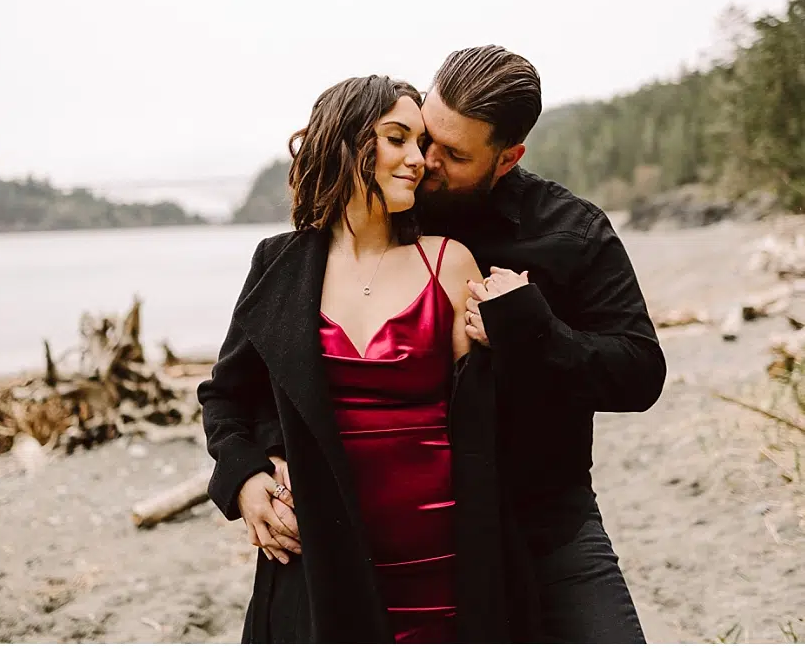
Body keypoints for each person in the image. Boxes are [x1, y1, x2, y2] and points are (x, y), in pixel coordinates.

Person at [197, 75, 531, 643]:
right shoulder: (279, 265)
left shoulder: (449, 264)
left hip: (446, 560)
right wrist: (246, 480)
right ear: (346, 142)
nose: (418, 160)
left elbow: (499, 415)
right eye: (397, 138)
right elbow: (226, 394)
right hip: (322, 556)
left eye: (421, 144)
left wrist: (520, 332)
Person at [413, 45, 668, 643]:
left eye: (454, 154)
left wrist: (534, 331)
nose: (427, 162)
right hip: (416, 532)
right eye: (427, 136)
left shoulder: (572, 231)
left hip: (547, 522)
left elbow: (641, 372)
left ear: (508, 158)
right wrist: (250, 466)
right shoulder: (385, 211)